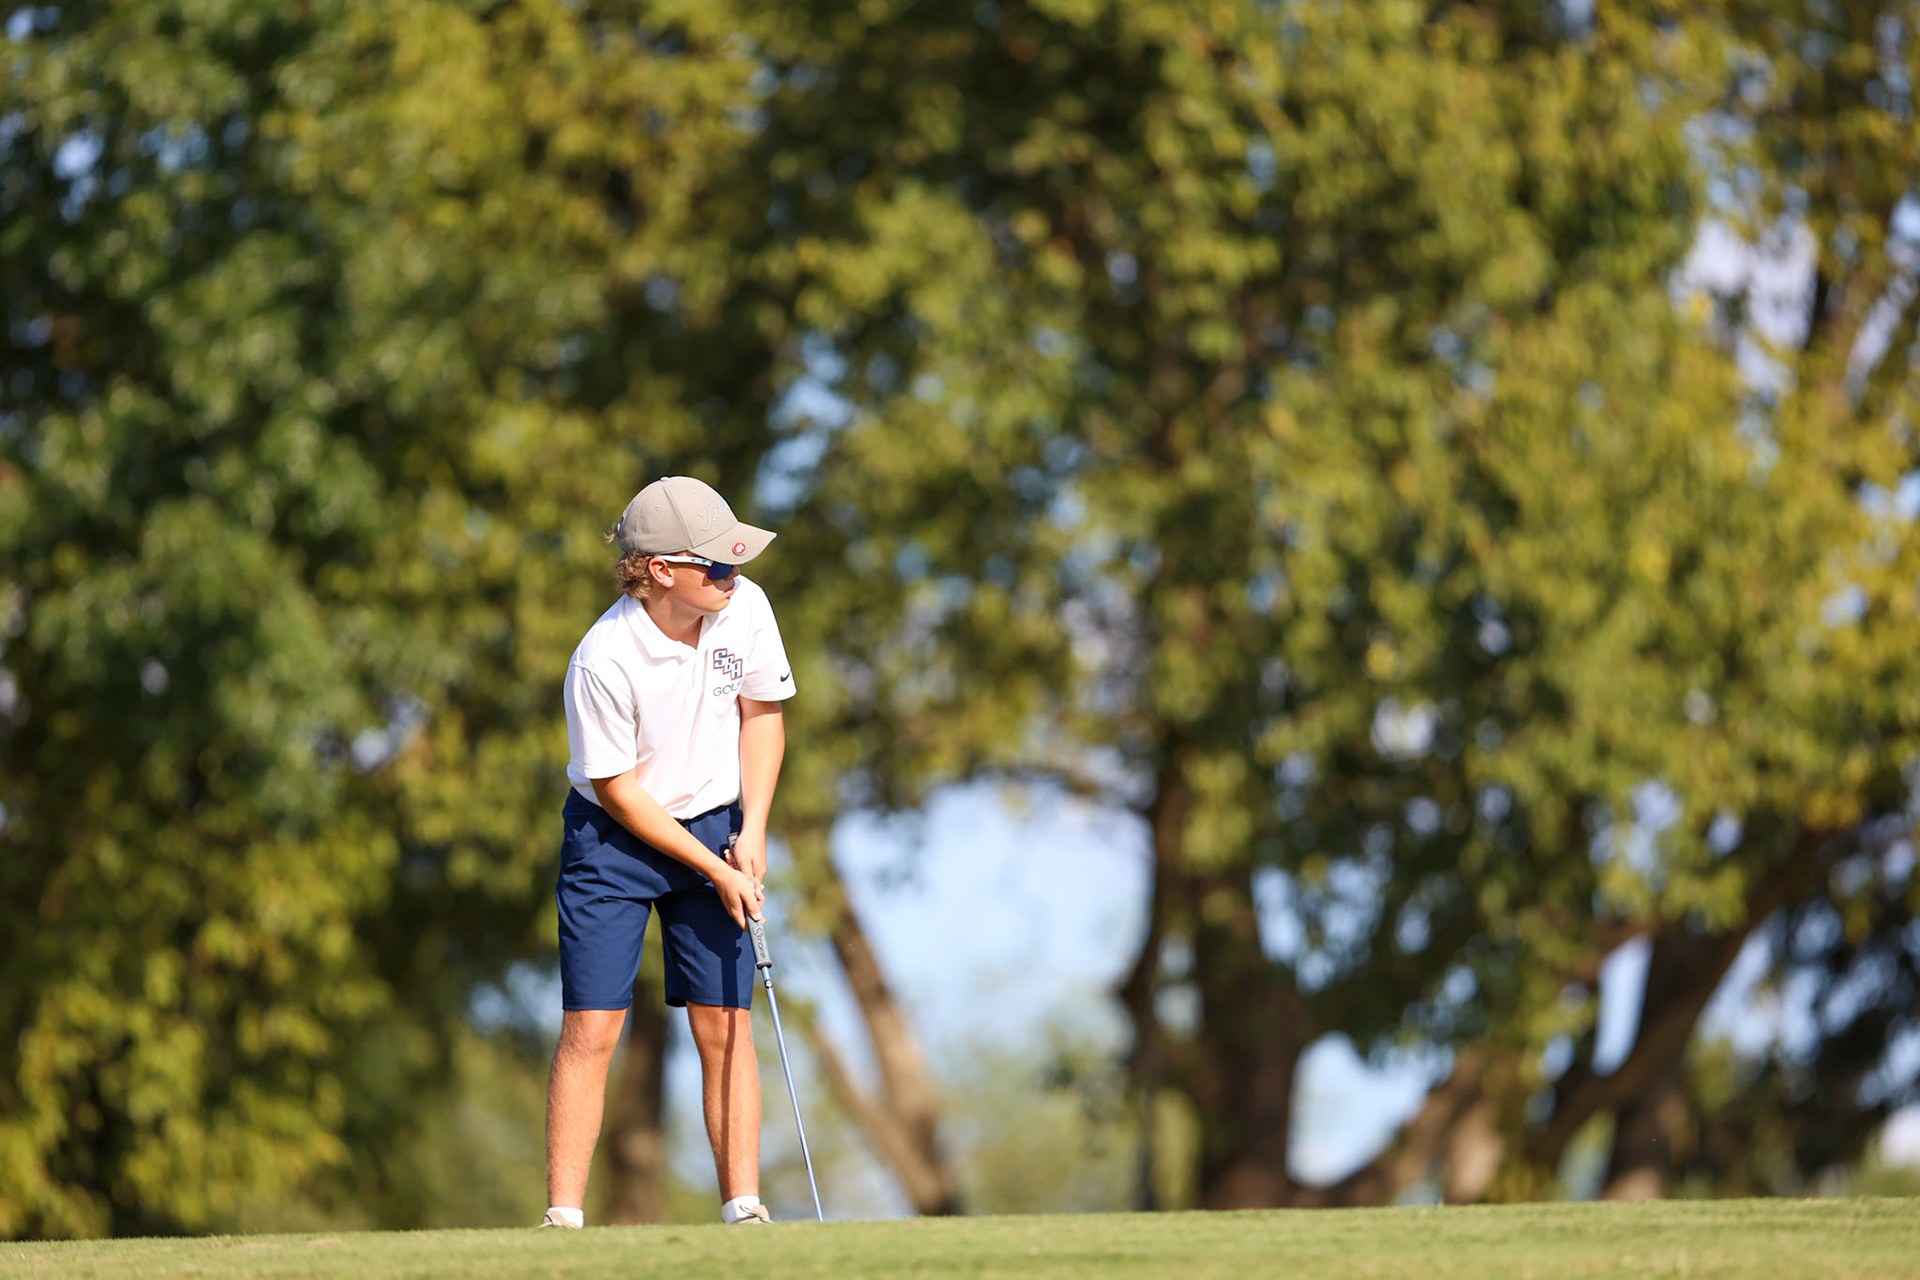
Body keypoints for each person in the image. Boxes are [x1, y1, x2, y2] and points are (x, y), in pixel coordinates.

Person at [540, 475, 795, 1229]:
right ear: (660, 570)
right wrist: (713, 867)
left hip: (718, 820)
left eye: (735, 561)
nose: (732, 575)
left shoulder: (743, 608)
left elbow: (764, 718)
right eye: (715, 565)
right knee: (594, 1026)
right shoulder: (603, 659)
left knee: (726, 1020)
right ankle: (562, 1220)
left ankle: (743, 1207)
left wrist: (752, 832)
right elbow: (620, 793)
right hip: (613, 840)